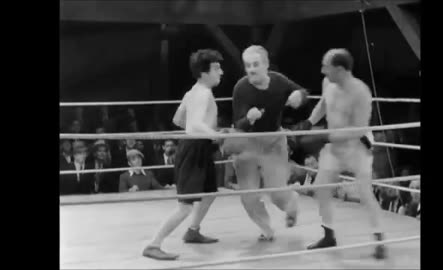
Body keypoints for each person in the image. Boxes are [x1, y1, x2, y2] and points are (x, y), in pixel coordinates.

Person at [291, 49, 386, 259]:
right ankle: (329, 235)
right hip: (333, 147)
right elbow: (324, 104)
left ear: (340, 70)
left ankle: (380, 239)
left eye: (327, 66)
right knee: (321, 188)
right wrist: (309, 122)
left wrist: (324, 137)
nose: (322, 70)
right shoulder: (328, 83)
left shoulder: (361, 92)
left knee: (365, 192)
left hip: (356, 147)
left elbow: (359, 128)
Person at [143, 49, 224, 260]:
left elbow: (179, 120)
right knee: (185, 207)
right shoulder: (203, 93)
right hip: (195, 148)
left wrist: (207, 132)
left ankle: (193, 231)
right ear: (203, 72)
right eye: (216, 68)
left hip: (199, 147)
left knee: (210, 192)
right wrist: (215, 134)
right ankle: (154, 244)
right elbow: (195, 124)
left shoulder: (193, 92)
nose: (221, 72)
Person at [222, 45, 309, 241]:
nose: (251, 69)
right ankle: (266, 228)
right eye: (247, 65)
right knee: (248, 196)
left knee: (277, 193)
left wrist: (299, 96)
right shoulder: (241, 88)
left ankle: (291, 202)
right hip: (247, 143)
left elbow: (303, 93)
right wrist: (249, 119)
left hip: (273, 141)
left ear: (266, 65)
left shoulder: (279, 81)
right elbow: (238, 124)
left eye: (255, 64)